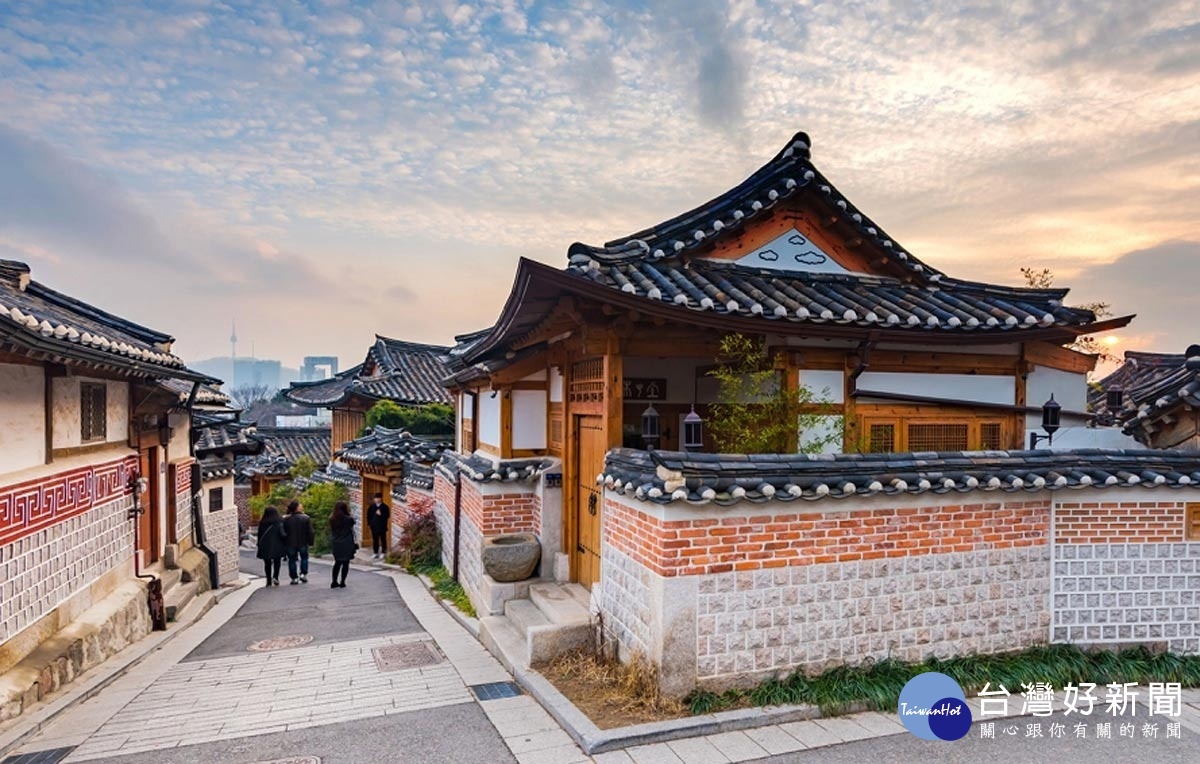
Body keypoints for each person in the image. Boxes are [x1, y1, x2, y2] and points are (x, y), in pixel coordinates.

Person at [283, 500, 314, 584]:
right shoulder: (306, 518)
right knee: (304, 558)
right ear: (297, 508)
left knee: (292, 560)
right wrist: (311, 542)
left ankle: (294, 578)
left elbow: (283, 532)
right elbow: (310, 532)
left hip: (290, 542)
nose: (302, 507)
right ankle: (303, 574)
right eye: (300, 506)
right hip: (303, 542)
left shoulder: (286, 519)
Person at [256, 506, 288, 586]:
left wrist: (259, 544)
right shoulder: (279, 521)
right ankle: (276, 577)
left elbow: (259, 535)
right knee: (277, 562)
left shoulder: (263, 522)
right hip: (278, 545)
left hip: (265, 546)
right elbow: (282, 534)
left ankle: (268, 580)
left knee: (267, 563)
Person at [329, 501, 356, 589]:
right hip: (347, 542)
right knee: (345, 563)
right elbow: (352, 524)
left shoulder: (332, 519)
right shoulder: (348, 519)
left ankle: (334, 581)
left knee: (337, 562)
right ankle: (342, 582)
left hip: (336, 542)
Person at [366, 492, 390, 560]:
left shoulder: (385, 507)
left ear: (381, 498)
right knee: (375, 540)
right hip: (374, 526)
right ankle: (375, 552)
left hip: (382, 526)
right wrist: (369, 523)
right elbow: (368, 516)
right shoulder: (372, 507)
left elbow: (387, 516)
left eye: (378, 498)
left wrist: (381, 514)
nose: (376, 499)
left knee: (383, 539)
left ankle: (383, 552)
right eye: (375, 498)